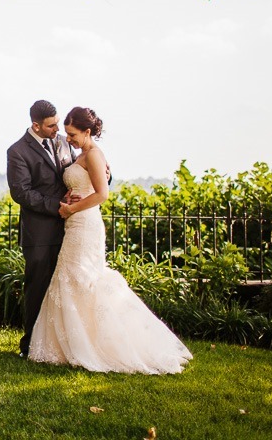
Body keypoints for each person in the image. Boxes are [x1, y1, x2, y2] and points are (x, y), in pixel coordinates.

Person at [28, 107, 192, 374]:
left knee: (82, 279)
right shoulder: (81, 154)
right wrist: (68, 200)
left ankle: (98, 345)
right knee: (71, 279)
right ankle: (69, 344)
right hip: (75, 223)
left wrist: (71, 209)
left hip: (85, 223)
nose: (67, 139)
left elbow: (102, 194)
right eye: (66, 133)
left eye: (72, 134)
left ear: (87, 132)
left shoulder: (93, 154)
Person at [6, 100, 77, 358]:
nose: (57, 129)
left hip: (70, 228)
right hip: (39, 233)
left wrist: (105, 172)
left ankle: (64, 345)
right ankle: (31, 346)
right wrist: (56, 206)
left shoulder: (64, 143)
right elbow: (21, 193)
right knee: (38, 288)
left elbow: (80, 169)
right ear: (35, 125)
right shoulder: (17, 151)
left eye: (57, 123)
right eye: (51, 125)